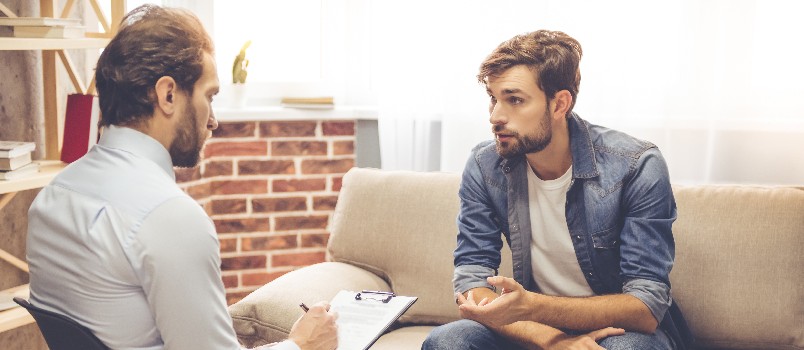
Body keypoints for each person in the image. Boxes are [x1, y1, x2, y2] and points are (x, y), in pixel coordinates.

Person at [26, 5, 337, 350]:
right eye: (209, 96)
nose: (213, 120)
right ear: (168, 94)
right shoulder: (170, 217)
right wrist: (301, 344)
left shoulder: (50, 198)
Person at [422, 30, 693, 350]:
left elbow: (646, 307)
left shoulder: (635, 165)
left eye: (515, 99)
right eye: (493, 98)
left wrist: (534, 306)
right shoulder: (485, 165)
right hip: (532, 328)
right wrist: (552, 339)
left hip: (615, 331)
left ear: (559, 103)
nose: (495, 116)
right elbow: (471, 282)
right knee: (447, 341)